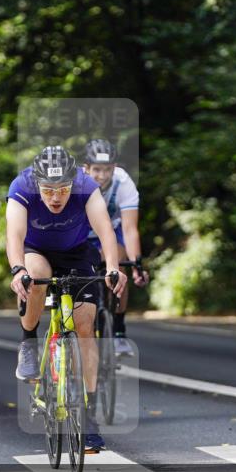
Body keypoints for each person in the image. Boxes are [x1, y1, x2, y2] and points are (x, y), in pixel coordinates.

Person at [7, 146, 127, 452]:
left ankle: (88, 416)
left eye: (62, 189)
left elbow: (105, 231)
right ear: (37, 183)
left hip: (76, 253)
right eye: (48, 190)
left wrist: (113, 268)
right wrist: (18, 269)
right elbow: (14, 235)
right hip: (36, 251)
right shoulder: (22, 186)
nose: (55, 197)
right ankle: (28, 341)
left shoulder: (86, 186)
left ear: (73, 182)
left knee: (85, 326)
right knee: (36, 275)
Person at [82, 138, 149, 357]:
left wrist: (137, 265)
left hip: (111, 231)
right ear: (86, 168)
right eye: (97, 170)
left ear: (115, 167)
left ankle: (119, 330)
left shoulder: (123, 182)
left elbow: (130, 229)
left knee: (119, 268)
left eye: (107, 170)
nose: (102, 176)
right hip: (81, 233)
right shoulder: (75, 183)